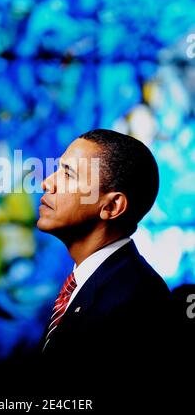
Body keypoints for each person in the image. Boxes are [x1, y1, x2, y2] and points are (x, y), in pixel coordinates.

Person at [36, 129, 176, 407]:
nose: (46, 183)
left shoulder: (136, 301)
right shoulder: (90, 283)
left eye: (68, 175)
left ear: (111, 206)